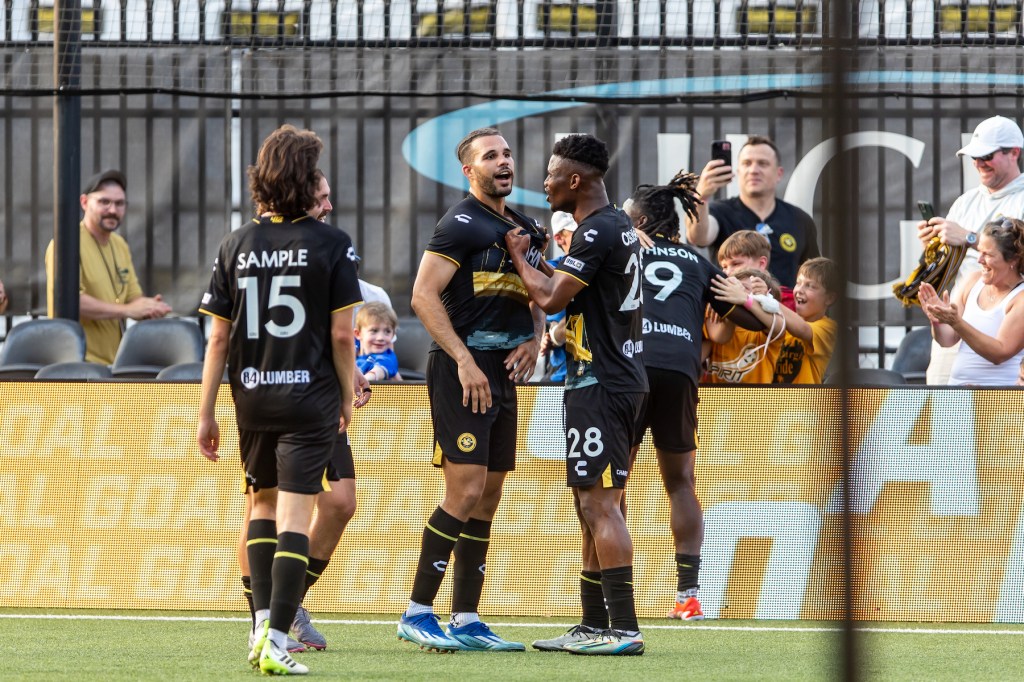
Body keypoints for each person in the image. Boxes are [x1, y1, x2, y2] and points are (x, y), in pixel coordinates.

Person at [197, 124, 363, 676]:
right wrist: (345, 391)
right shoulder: (332, 242)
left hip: (252, 398)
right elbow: (343, 337)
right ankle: (275, 638)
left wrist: (205, 411)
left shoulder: (235, 244)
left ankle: (260, 624)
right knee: (297, 513)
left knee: (261, 507)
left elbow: (217, 338)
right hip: (308, 397)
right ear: (304, 177)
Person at [397, 127, 545, 653]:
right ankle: (417, 612)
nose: (503, 162)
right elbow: (421, 296)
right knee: (462, 492)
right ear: (469, 170)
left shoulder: (525, 227)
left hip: (504, 373)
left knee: (488, 496)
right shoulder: (459, 223)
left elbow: (540, 295)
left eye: (507, 153)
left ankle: (467, 618)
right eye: (491, 156)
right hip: (463, 372)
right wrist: (463, 359)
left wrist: (536, 340)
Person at [506, 133, 647, 656]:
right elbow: (568, 284)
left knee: (601, 504)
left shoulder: (595, 232)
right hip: (615, 378)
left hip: (602, 382)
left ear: (574, 180)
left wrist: (521, 257)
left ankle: (625, 630)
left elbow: (548, 295)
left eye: (548, 175)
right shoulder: (618, 229)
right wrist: (542, 262)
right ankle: (592, 623)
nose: (541, 184)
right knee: (590, 503)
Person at [235, 168, 370, 655]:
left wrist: (347, 372)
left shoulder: (326, 245)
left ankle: (287, 606)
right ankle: (264, 621)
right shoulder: (252, 245)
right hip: (287, 393)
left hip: (312, 389)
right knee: (265, 504)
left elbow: (330, 329)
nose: (329, 205)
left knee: (340, 502)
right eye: (322, 196)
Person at [622, 172, 763, 622]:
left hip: (630, 365)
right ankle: (688, 595)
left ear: (640, 219)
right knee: (680, 482)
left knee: (611, 482)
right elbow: (752, 323)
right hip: (681, 369)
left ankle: (613, 591)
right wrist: (746, 297)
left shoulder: (622, 248)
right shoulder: (697, 261)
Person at [918, 116, 1024, 384]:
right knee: (944, 416)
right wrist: (935, 247)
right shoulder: (965, 202)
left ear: (1014, 152)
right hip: (960, 316)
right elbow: (951, 265)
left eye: (986, 155)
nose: (978, 163)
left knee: (1001, 420)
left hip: (1010, 324)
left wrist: (968, 238)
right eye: (973, 156)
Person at [45, 169, 172, 365]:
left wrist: (148, 306)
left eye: (119, 203)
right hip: (75, 363)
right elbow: (70, 301)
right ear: (84, 202)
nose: (113, 210)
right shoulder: (66, 243)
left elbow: (132, 296)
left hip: (114, 364)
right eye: (104, 202)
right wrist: (127, 310)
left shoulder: (120, 244)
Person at [686, 135, 819, 289]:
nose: (754, 170)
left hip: (784, 311)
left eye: (762, 163)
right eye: (747, 163)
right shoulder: (719, 211)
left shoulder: (799, 220)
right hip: (734, 311)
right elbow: (697, 237)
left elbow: (815, 277)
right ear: (738, 171)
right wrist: (701, 196)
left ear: (779, 173)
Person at [919, 218, 1024, 386]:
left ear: (1013, 260)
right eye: (979, 252)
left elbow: (1000, 352)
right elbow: (947, 340)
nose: (979, 260)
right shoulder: (972, 281)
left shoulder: (1021, 298)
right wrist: (937, 319)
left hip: (1000, 399)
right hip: (958, 394)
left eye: (988, 254)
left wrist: (956, 322)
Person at [714, 257, 839, 384]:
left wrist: (764, 298)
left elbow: (802, 329)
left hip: (801, 401)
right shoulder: (781, 318)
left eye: (810, 286)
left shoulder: (829, 328)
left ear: (829, 298)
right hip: (770, 400)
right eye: (798, 283)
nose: (799, 290)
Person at [704, 268, 786, 384]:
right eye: (736, 286)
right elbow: (719, 337)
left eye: (746, 289)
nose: (738, 291)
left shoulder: (764, 330)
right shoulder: (715, 318)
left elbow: (779, 328)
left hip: (753, 399)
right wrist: (727, 308)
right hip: (714, 398)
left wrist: (745, 300)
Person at [537, 211, 576, 382]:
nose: (586, 235)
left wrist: (553, 336)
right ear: (559, 238)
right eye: (577, 232)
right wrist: (551, 335)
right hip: (562, 375)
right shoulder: (552, 268)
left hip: (596, 376)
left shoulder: (601, 264)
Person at [717, 230, 795, 309]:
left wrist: (763, 299)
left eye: (736, 264)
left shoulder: (787, 300)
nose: (728, 272)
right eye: (724, 267)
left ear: (761, 263)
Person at [355, 301, 401, 381]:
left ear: (393, 335)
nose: (380, 338)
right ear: (358, 334)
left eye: (387, 331)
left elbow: (377, 372)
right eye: (374, 330)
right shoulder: (353, 347)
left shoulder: (388, 358)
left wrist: (364, 379)